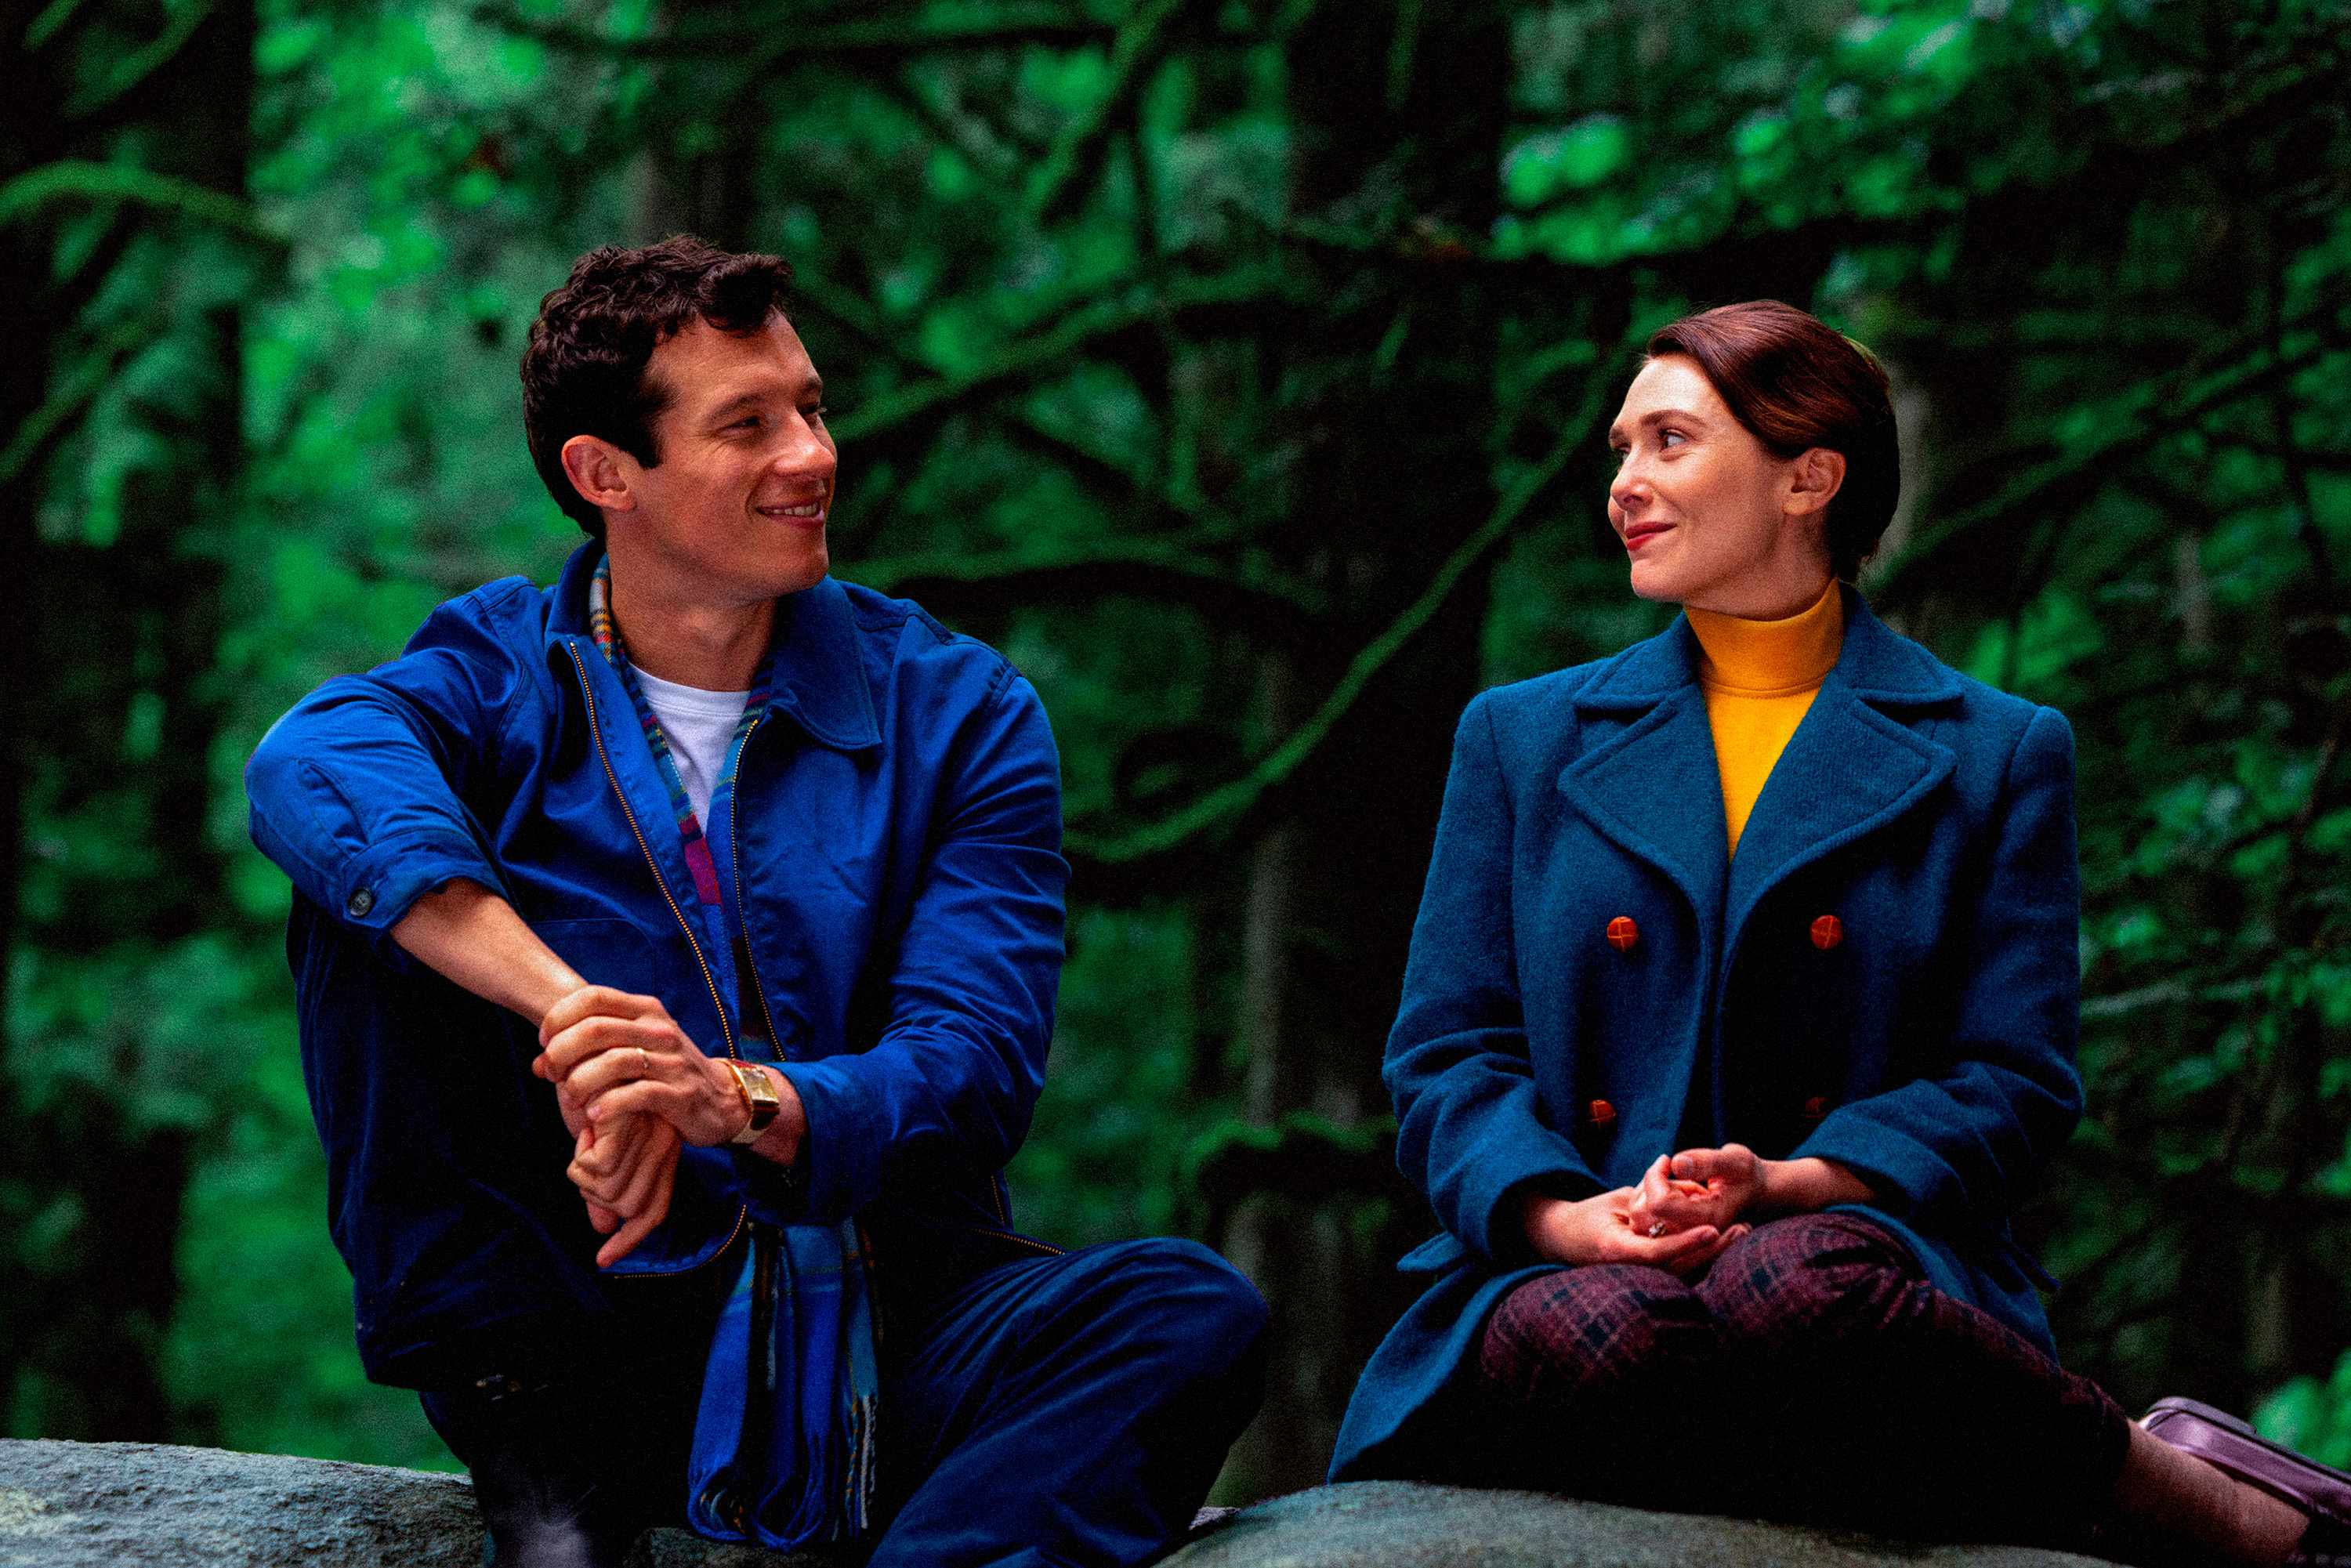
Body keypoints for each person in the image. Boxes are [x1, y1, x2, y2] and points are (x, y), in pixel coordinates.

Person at [245, 237, 1266, 1568]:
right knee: (368, 883)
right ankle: (538, 1471)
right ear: (605, 474)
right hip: (571, 1332)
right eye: (749, 425)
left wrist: (733, 1099)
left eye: (812, 407)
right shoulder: (496, 674)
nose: (813, 455)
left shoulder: (957, 708)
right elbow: (306, 762)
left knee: (1187, 1311)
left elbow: (971, 1065)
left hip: (888, 1319)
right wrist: (583, 1022)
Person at [1328, 300, 2350, 1566]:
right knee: (1606, 1330)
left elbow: (2014, 1079)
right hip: (1572, 1256)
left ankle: (2196, 1500)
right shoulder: (1520, 737)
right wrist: (1564, 1217)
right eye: (1621, 449)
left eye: (1669, 441)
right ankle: (2047, 1462)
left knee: (1792, 1292)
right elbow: (1449, 1052)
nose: (1624, 484)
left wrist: (1795, 1183)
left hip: (1852, 1251)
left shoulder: (1995, 751)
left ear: (1809, 477)